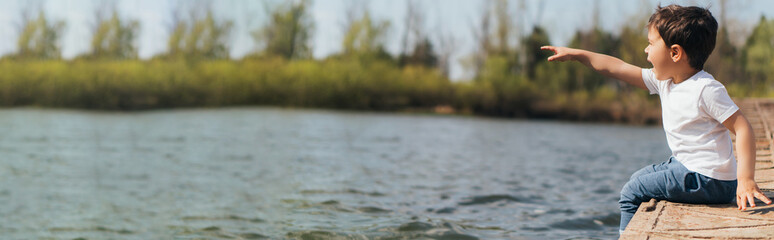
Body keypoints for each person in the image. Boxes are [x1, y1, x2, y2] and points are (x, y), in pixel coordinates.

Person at [541, 4, 772, 233]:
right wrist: (578, 54)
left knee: (632, 191)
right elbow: (617, 67)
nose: (645, 50)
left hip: (709, 180)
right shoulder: (665, 81)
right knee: (639, 177)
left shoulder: (705, 89)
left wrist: (746, 179)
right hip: (687, 168)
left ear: (675, 53)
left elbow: (743, 128)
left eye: (651, 44)